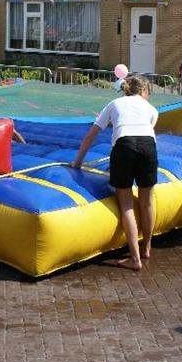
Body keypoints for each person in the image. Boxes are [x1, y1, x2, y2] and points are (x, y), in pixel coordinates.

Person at [72, 75, 159, 270]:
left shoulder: (114, 104)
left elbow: (91, 136)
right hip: (148, 146)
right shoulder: (151, 109)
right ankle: (147, 248)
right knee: (147, 202)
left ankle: (135, 259)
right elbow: (144, 134)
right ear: (143, 91)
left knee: (126, 204)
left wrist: (77, 162)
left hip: (124, 145)